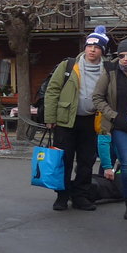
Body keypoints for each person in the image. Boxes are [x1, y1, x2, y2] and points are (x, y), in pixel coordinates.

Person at [43, 25, 108, 211]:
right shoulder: (69, 65)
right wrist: (50, 117)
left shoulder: (107, 70)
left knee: (86, 161)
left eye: (97, 47)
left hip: (91, 121)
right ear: (85, 47)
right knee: (64, 159)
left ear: (102, 50)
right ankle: (61, 196)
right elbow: (52, 91)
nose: (92, 50)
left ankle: (80, 195)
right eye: (89, 46)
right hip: (66, 120)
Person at [94, 38, 127, 219]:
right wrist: (113, 116)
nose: (125, 59)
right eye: (121, 55)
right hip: (120, 125)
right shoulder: (110, 71)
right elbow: (97, 98)